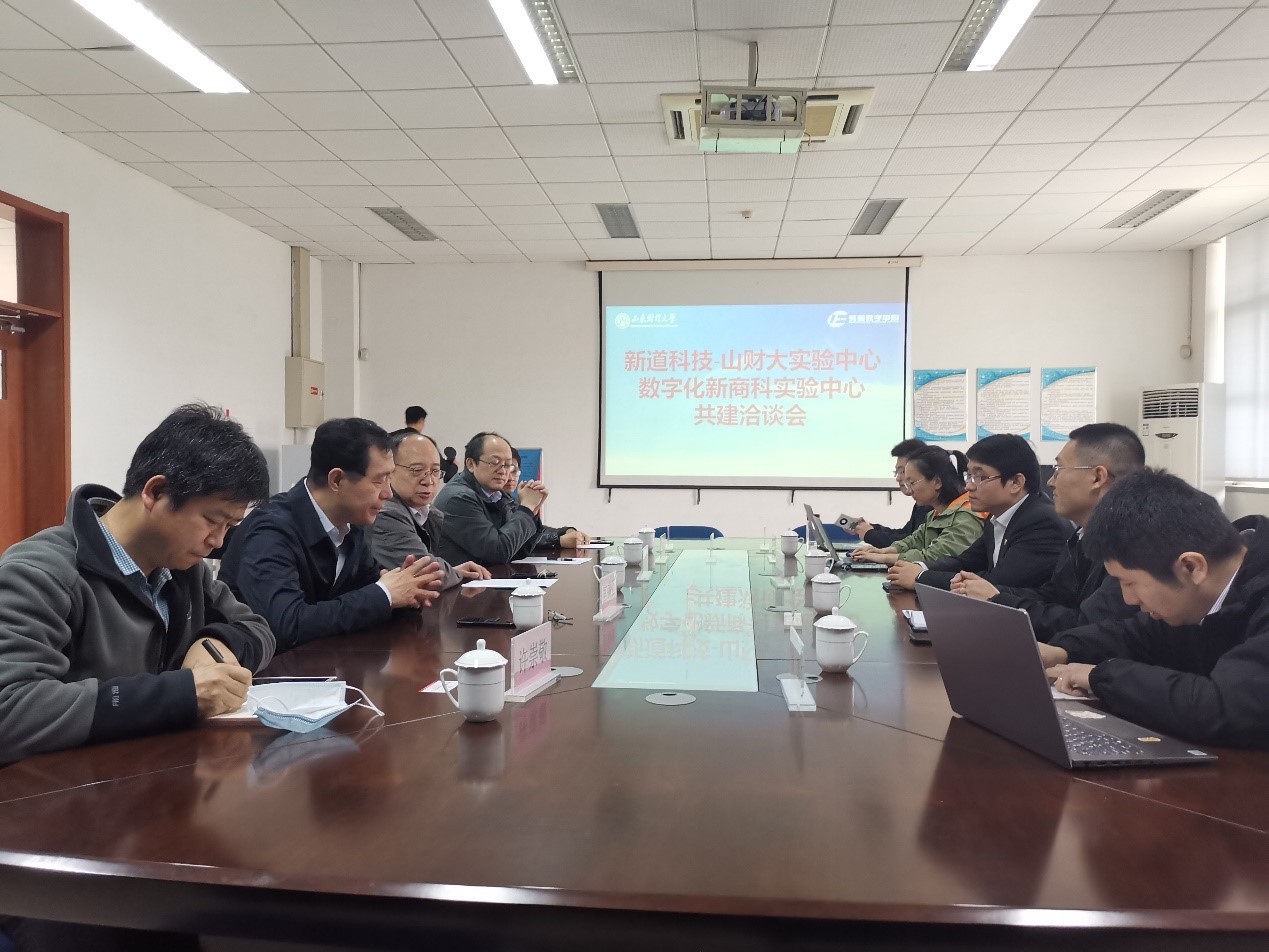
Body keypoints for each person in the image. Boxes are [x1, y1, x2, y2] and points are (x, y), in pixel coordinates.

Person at [0, 404, 274, 765]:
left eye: (229, 527)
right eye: (212, 520)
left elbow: (259, 629)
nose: (218, 541)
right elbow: (11, 710)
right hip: (66, 788)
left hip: (159, 775)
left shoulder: (182, 567)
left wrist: (217, 641)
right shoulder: (42, 573)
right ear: (155, 492)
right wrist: (179, 695)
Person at [1041, 469, 1269, 749]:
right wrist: (1062, 651)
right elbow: (1140, 636)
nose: (1128, 599)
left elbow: (1223, 708)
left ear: (1191, 567)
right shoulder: (1205, 593)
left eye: (1130, 582)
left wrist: (1101, 676)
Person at [219, 417, 444, 651]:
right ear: (337, 480)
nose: (388, 493)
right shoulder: (271, 530)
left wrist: (407, 591)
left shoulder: (350, 525)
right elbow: (286, 625)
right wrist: (384, 594)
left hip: (324, 663)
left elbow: (366, 589)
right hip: (258, 669)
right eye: (379, 480)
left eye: (390, 477)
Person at [952, 423, 1146, 640]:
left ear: (1097, 477)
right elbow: (1054, 594)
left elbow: (1087, 624)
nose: (1051, 482)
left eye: (1059, 469)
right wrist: (992, 593)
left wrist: (998, 600)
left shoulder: (1133, 544)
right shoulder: (1082, 535)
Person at [886, 434, 1067, 592]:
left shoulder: (1040, 523)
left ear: (1016, 483)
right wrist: (920, 567)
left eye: (979, 477)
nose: (968, 486)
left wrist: (921, 577)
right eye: (969, 476)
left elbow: (995, 584)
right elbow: (965, 562)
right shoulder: (996, 518)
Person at [371, 430, 490, 588]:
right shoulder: (386, 514)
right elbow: (427, 573)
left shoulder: (429, 514)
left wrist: (453, 571)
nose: (428, 481)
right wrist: (454, 574)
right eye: (417, 470)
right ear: (390, 471)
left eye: (435, 471)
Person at [851, 446, 983, 566]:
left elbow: (934, 556)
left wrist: (882, 558)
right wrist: (882, 551)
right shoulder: (935, 513)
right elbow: (913, 541)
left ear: (937, 482)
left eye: (912, 483)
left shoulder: (967, 514)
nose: (909, 490)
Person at [432, 432, 546, 566]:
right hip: (462, 579)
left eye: (508, 465)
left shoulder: (497, 495)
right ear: (471, 464)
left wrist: (532, 511)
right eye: (495, 462)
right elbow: (498, 552)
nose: (503, 471)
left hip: (488, 576)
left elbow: (518, 550)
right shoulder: (458, 498)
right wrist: (526, 508)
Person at [837, 438, 930, 545]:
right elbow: (906, 534)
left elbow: (912, 543)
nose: (898, 478)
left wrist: (870, 534)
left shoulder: (935, 507)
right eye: (897, 472)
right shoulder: (920, 505)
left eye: (902, 471)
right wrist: (871, 528)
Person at [504, 447, 590, 549]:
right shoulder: (492, 503)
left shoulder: (511, 500)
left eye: (514, 471)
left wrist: (566, 532)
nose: (511, 478)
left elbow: (536, 531)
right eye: (506, 470)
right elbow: (513, 541)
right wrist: (559, 541)